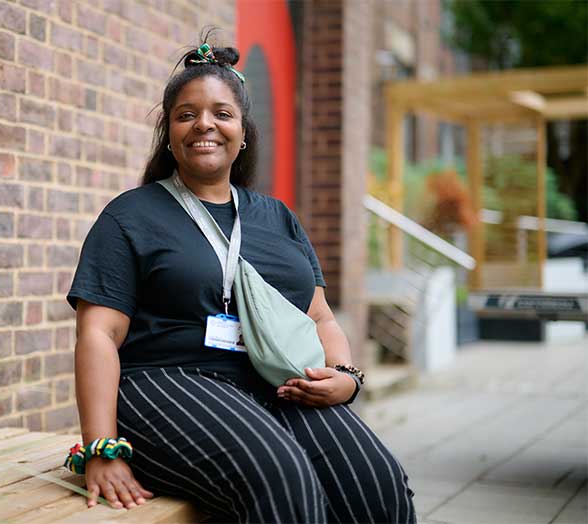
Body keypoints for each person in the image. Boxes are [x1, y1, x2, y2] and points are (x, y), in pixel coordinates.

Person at [65, 36, 416, 524]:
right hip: (166, 382)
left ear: (243, 132)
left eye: (221, 113)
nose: (204, 124)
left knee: (376, 482)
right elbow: (98, 334)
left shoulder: (277, 218)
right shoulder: (131, 216)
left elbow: (318, 316)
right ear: (169, 132)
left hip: (274, 385)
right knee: (282, 479)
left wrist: (345, 378)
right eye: (186, 114)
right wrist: (102, 447)